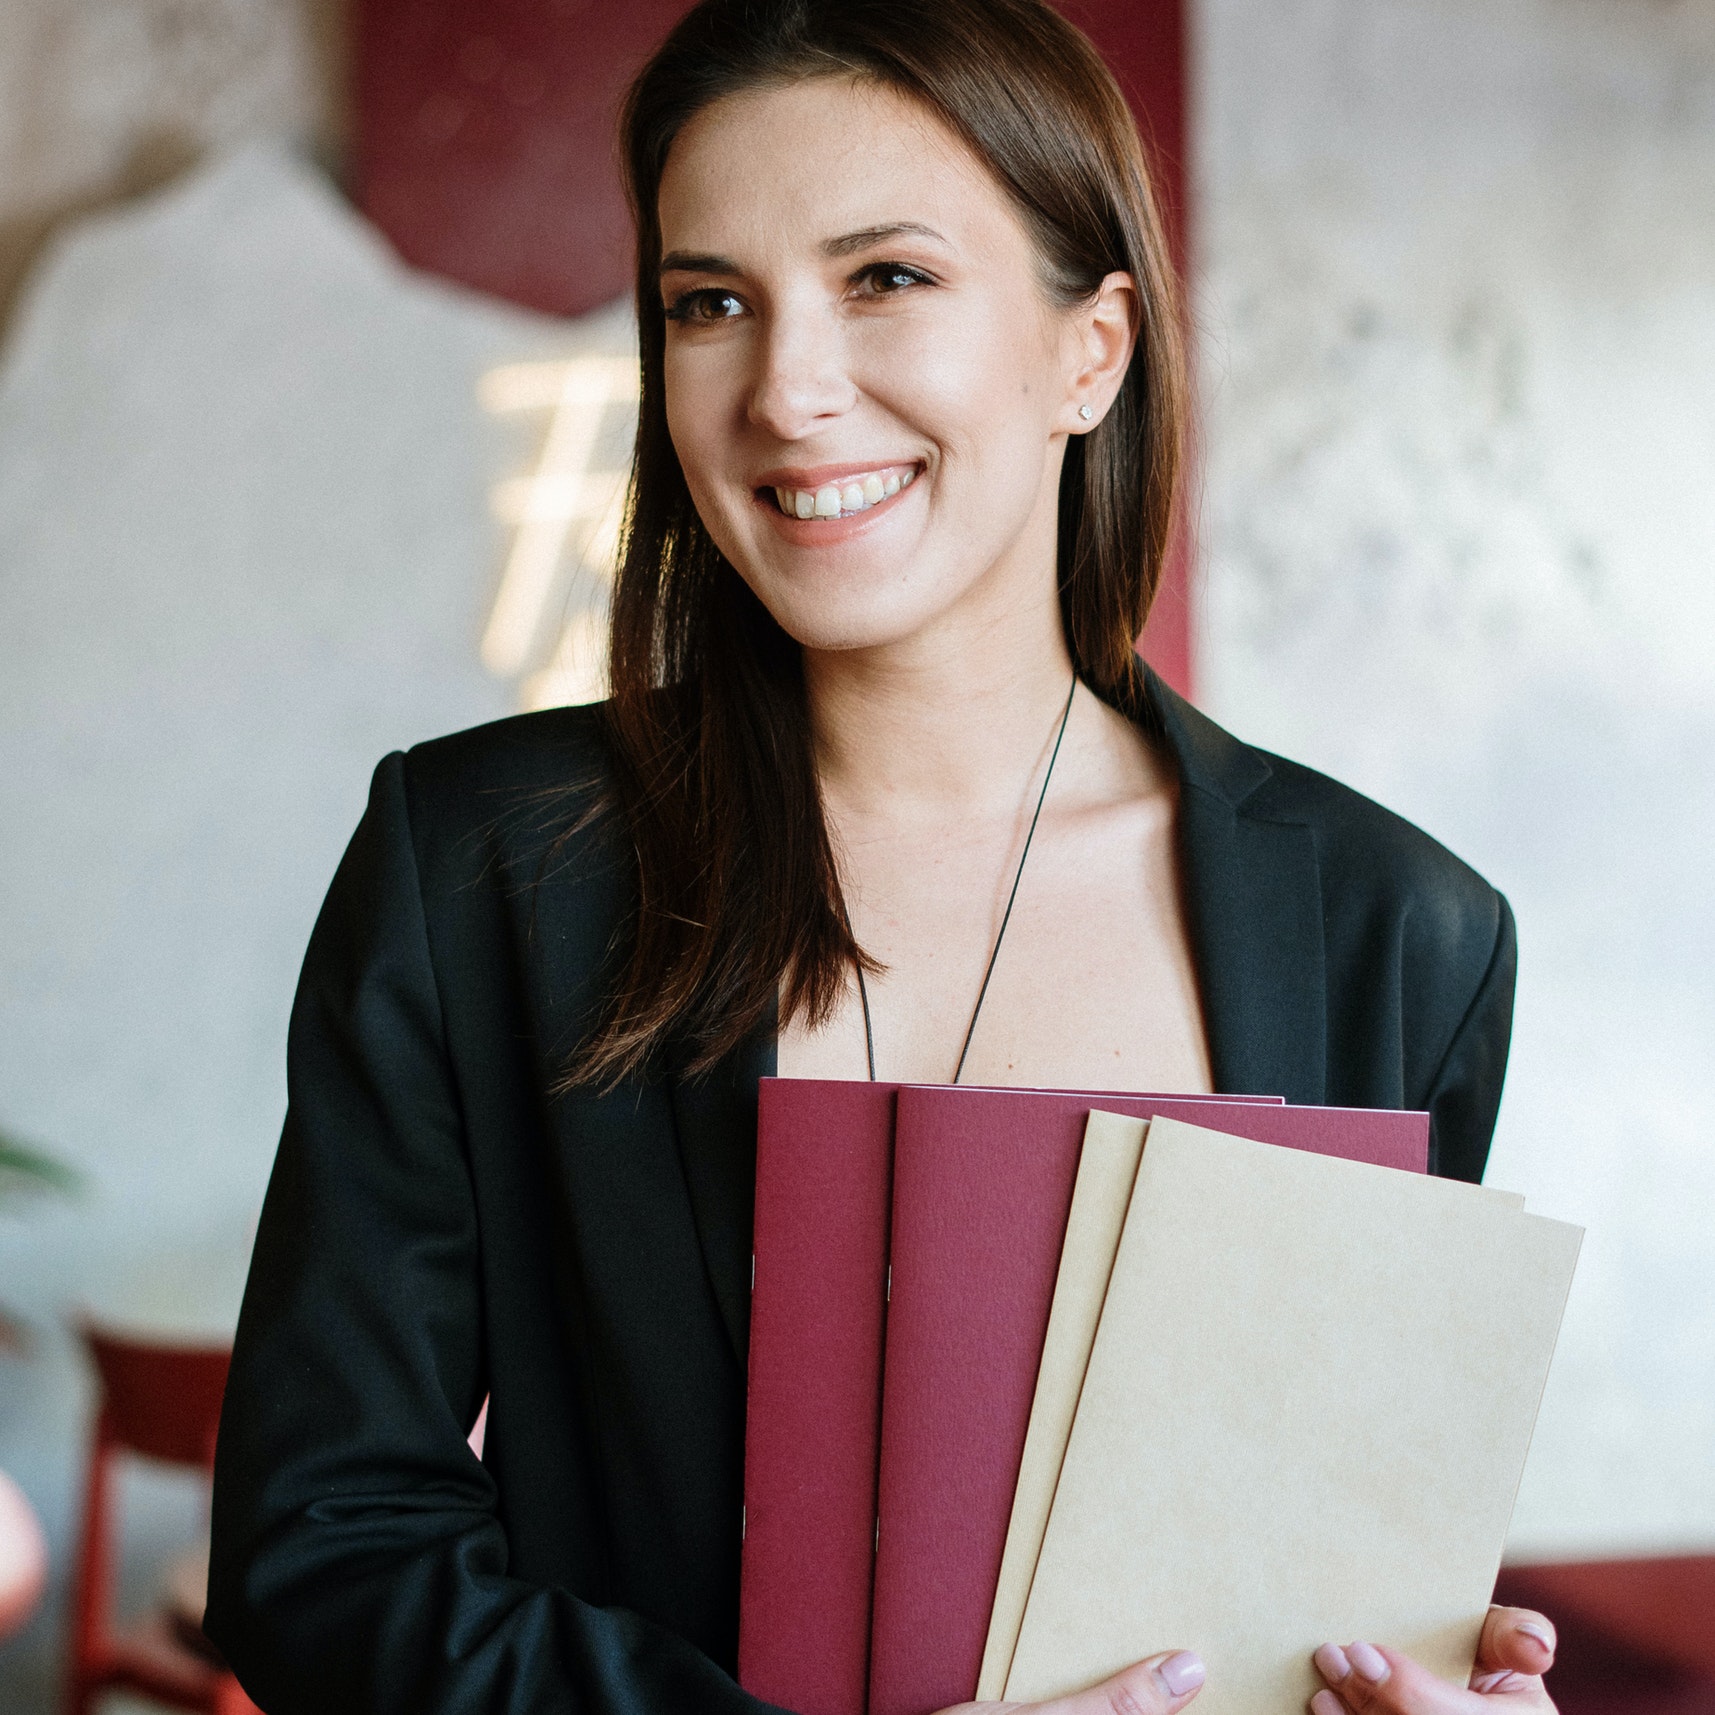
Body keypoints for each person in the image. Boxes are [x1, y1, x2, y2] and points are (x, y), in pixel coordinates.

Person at [206, 1, 1553, 1712]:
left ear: (1092, 349)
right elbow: (321, 1548)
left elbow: (1325, 1588)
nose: (786, 389)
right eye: (710, 304)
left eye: (886, 278)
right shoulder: (484, 865)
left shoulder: (1396, 935)